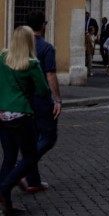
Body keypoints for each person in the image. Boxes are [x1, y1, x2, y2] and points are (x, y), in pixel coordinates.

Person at [0, 26, 51, 215]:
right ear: (29, 42)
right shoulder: (32, 64)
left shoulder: (2, 58)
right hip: (21, 115)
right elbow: (44, 91)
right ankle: (4, 187)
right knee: (29, 158)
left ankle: (6, 206)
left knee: (9, 157)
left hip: (2, 115)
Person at [22, 11, 62, 194]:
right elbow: (51, 75)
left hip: (24, 98)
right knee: (48, 137)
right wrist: (57, 99)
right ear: (43, 26)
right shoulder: (46, 48)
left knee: (32, 138)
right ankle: (21, 169)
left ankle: (33, 180)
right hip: (41, 97)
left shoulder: (20, 47)